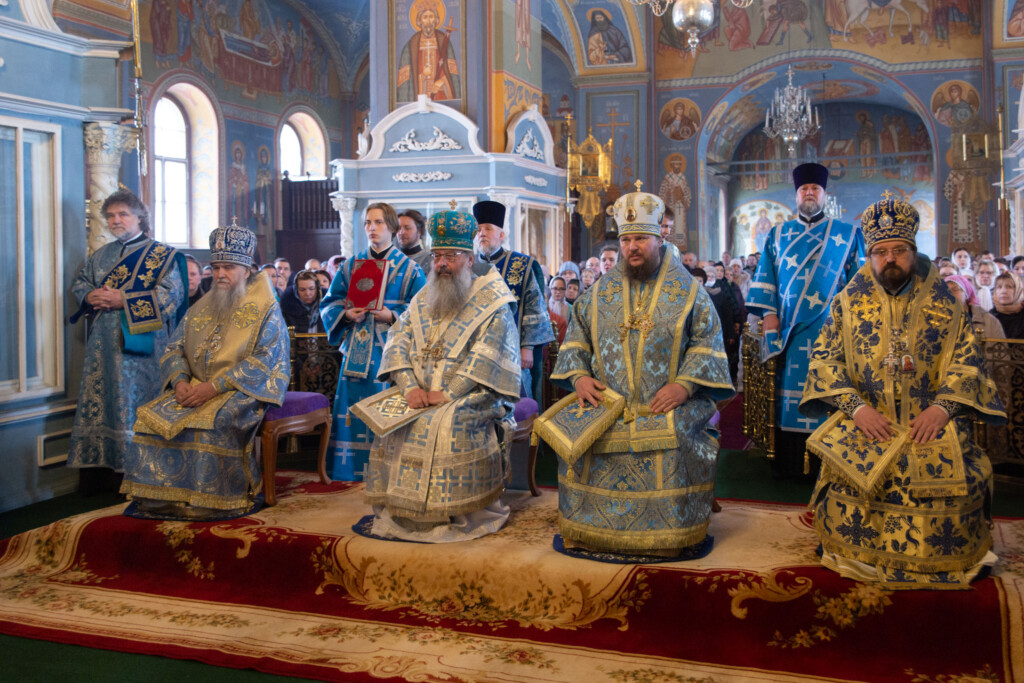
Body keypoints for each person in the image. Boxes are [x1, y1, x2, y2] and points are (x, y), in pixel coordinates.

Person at [800, 194, 1005, 588]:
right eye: (880, 252)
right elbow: (824, 363)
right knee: (853, 479)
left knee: (951, 481)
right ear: (869, 255)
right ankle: (855, 553)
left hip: (928, 423)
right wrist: (857, 409)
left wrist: (943, 410)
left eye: (899, 250)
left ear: (913, 251)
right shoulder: (847, 303)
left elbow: (967, 363)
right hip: (866, 421)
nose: (890, 258)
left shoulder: (945, 304)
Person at [548, 187, 733, 558]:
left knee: (676, 436)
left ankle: (673, 532)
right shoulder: (598, 294)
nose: (632, 247)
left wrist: (683, 387)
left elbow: (707, 344)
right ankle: (591, 530)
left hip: (667, 406)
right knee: (578, 441)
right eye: (627, 239)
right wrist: (580, 378)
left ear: (659, 237)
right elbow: (576, 341)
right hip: (608, 404)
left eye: (641, 239)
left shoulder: (688, 292)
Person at [363, 208, 521, 541]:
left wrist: (448, 394)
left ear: (468, 256)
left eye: (450, 256)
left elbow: (488, 355)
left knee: (445, 422)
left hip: (475, 393)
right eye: (437, 256)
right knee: (391, 419)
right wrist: (407, 387)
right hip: (418, 390)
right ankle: (403, 510)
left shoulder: (493, 301)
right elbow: (398, 338)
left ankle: (456, 512)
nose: (441, 264)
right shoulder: (424, 296)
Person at [121, 222, 290, 520]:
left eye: (228, 267)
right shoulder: (200, 307)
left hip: (244, 388)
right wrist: (180, 381)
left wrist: (213, 388)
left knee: (216, 422)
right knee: (149, 417)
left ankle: (214, 499)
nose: (220, 274)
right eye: (216, 267)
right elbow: (174, 348)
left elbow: (265, 360)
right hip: (195, 385)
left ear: (246, 269)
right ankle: (161, 500)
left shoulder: (266, 309)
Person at [746, 162, 865, 478]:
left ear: (825, 194)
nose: (809, 193)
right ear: (796, 195)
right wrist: (770, 320)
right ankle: (790, 465)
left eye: (815, 188)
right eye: (803, 189)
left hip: (832, 331)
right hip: (790, 332)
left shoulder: (849, 233)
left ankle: (830, 464)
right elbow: (766, 280)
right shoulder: (778, 234)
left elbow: (860, 286)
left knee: (831, 392)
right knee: (792, 394)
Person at [67, 189, 188, 493]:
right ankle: (100, 478)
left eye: (123, 214)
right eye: (110, 215)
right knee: (103, 401)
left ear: (139, 217)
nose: (116, 220)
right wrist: (89, 295)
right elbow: (81, 282)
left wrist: (122, 299)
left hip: (141, 348)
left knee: (136, 404)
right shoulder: (102, 254)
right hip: (102, 347)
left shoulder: (162, 255)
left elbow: (170, 297)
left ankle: (140, 477)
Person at [321, 202, 426, 480]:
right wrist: (345, 314)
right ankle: (349, 469)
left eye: (378, 222)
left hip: (391, 352)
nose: (371, 228)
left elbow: (423, 312)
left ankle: (387, 470)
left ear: (391, 228)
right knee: (351, 410)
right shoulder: (351, 265)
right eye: (368, 222)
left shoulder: (411, 269)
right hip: (356, 349)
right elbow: (329, 303)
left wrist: (391, 314)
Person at [473, 200, 554, 403]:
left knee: (517, 405)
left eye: (488, 229)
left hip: (513, 349)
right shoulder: (468, 265)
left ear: (501, 235)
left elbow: (535, 307)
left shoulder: (522, 264)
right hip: (474, 349)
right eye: (479, 229)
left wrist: (527, 347)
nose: (482, 233)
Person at [396, 1, 460, 101]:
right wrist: (422, 76)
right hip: (421, 98)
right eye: (425, 17)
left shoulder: (444, 41)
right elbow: (405, 82)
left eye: (431, 16)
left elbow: (452, 74)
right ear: (420, 21)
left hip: (441, 95)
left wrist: (442, 82)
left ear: (436, 19)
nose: (429, 21)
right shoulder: (411, 45)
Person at [944, 274, 1004, 339]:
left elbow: (1000, 347)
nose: (950, 293)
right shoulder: (935, 319)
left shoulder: (989, 321)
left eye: (955, 289)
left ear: (966, 294)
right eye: (946, 290)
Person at [280, 269, 325, 333]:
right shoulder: (287, 308)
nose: (307, 293)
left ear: (317, 288)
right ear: (296, 291)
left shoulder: (327, 306)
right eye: (302, 290)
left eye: (311, 289)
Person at [991, 271, 1024, 339]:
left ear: (1019, 290)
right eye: (999, 287)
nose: (1003, 291)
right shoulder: (988, 317)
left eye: (1009, 287)